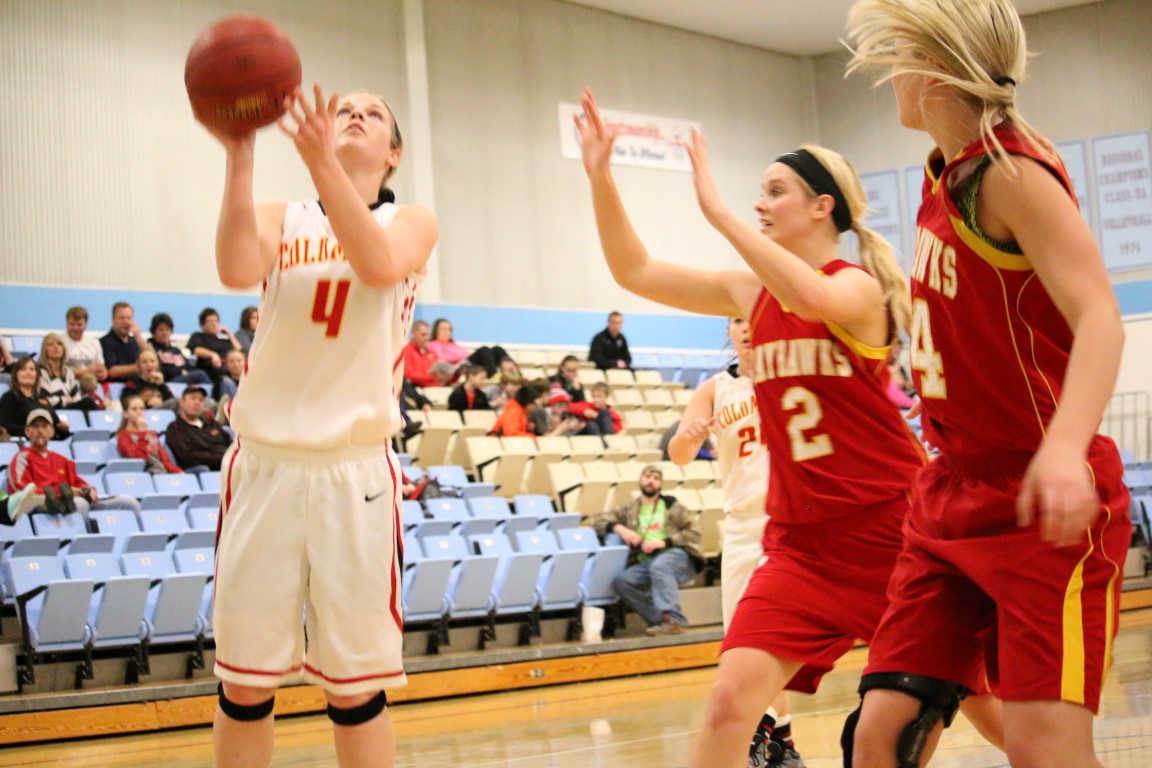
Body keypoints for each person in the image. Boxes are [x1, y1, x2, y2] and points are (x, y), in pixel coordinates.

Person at [575, 88, 1002, 768]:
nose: (759, 204)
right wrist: (600, 177)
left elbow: (808, 295)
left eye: (775, 191)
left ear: (822, 206)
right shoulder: (749, 293)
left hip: (891, 535)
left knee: (992, 710)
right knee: (729, 706)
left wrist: (716, 213)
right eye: (757, 194)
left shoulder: (858, 288)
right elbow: (636, 271)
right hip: (801, 547)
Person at [843, 3, 1130, 767]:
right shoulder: (948, 173)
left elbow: (1101, 317)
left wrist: (1064, 449)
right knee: (880, 734)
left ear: (936, 68)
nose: (891, 76)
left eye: (899, 58)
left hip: (1039, 496)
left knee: (1042, 749)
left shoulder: (1014, 173)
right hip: (952, 492)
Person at [195, 80, 437, 768]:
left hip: (354, 471)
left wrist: (321, 164)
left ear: (392, 154)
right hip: (266, 463)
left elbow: (378, 264)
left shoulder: (413, 222)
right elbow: (234, 267)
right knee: (243, 683)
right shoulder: (283, 215)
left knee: (356, 688)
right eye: (344, 109)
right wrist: (240, 153)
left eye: (373, 113)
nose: (356, 114)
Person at [668, 316, 802, 768]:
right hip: (742, 527)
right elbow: (679, 455)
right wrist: (687, 439)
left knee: (767, 641)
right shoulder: (713, 389)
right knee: (747, 644)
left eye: (751, 318)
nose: (745, 327)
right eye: (736, 320)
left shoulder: (793, 371)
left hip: (789, 522)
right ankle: (782, 742)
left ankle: (758, 735)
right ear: (728, 329)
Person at [590, 465, 702, 635]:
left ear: (661, 484)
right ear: (640, 480)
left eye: (656, 478)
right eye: (647, 476)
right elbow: (595, 521)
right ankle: (662, 620)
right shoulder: (629, 508)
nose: (651, 481)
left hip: (676, 554)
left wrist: (664, 542)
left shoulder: (673, 507)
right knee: (623, 581)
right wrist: (621, 529)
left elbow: (694, 533)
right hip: (647, 560)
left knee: (660, 566)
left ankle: (675, 618)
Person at [8, 409, 140, 517]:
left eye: (44, 426)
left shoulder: (62, 460)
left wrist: (89, 489)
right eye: (35, 426)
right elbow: (21, 493)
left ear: (51, 432)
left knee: (128, 502)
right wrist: (60, 493)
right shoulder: (21, 459)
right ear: (27, 432)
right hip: (46, 505)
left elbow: (77, 483)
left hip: (71, 502)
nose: (40, 431)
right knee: (80, 504)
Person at [164, 386, 232, 471]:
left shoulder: (212, 423)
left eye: (201, 400)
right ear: (182, 402)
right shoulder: (175, 428)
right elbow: (188, 456)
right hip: (204, 469)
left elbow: (230, 443)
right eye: (193, 398)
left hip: (228, 464)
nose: (197, 403)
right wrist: (223, 458)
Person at [0, 357, 70, 439]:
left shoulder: (42, 397)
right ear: (16, 374)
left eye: (32, 369)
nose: (28, 372)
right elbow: (4, 426)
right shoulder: (9, 397)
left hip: (49, 441)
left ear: (37, 375)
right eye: (23, 369)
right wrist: (31, 430)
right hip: (24, 441)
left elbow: (55, 425)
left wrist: (62, 428)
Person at [117, 394, 183, 474]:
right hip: (144, 474)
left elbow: (165, 460)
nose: (139, 412)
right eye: (134, 409)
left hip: (160, 472)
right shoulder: (123, 436)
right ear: (125, 414)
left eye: (142, 409)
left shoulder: (151, 434)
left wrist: (178, 472)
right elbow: (140, 460)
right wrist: (142, 433)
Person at [427, 318, 510, 377]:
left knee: (497, 349)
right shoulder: (433, 344)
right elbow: (442, 358)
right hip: (459, 367)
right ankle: (494, 375)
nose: (447, 332)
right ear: (436, 331)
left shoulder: (453, 344)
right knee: (484, 350)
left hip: (468, 362)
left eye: (449, 330)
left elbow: (466, 354)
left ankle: (513, 374)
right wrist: (462, 357)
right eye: (443, 329)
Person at [149, 312, 213, 385]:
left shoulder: (176, 350)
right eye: (161, 330)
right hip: (169, 382)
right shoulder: (152, 350)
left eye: (167, 329)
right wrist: (180, 372)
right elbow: (161, 370)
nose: (165, 333)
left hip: (184, 380)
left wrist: (186, 372)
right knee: (200, 375)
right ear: (154, 332)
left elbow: (189, 367)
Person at [188, 308, 242, 386]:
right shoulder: (198, 336)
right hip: (210, 374)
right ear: (202, 325)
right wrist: (213, 354)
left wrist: (229, 333)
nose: (214, 324)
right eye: (210, 321)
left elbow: (239, 350)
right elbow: (197, 350)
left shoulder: (224, 341)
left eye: (216, 321)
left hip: (229, 374)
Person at [100, 302, 147, 382]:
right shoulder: (105, 342)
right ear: (113, 320)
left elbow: (151, 357)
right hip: (116, 385)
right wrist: (140, 367)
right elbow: (112, 371)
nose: (126, 322)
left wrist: (139, 337)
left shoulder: (135, 341)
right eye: (121, 318)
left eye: (129, 318)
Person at [62, 305, 108, 383]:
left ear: (86, 325)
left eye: (79, 324)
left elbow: (101, 367)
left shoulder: (94, 343)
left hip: (91, 384)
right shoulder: (59, 342)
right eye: (72, 324)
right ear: (67, 323)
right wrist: (87, 371)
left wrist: (103, 373)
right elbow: (59, 371)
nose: (75, 328)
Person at [37, 333, 81, 409]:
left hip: (71, 408)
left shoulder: (68, 372)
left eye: (59, 344)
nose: (56, 347)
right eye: (51, 344)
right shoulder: (40, 372)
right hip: (51, 410)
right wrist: (64, 400)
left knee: (88, 402)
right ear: (45, 350)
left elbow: (77, 397)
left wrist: (70, 400)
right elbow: (44, 400)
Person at [402, 319, 439, 388]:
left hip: (436, 387)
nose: (427, 338)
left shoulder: (431, 353)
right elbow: (408, 374)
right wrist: (431, 377)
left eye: (428, 335)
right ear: (414, 335)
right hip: (417, 389)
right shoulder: (407, 351)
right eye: (423, 335)